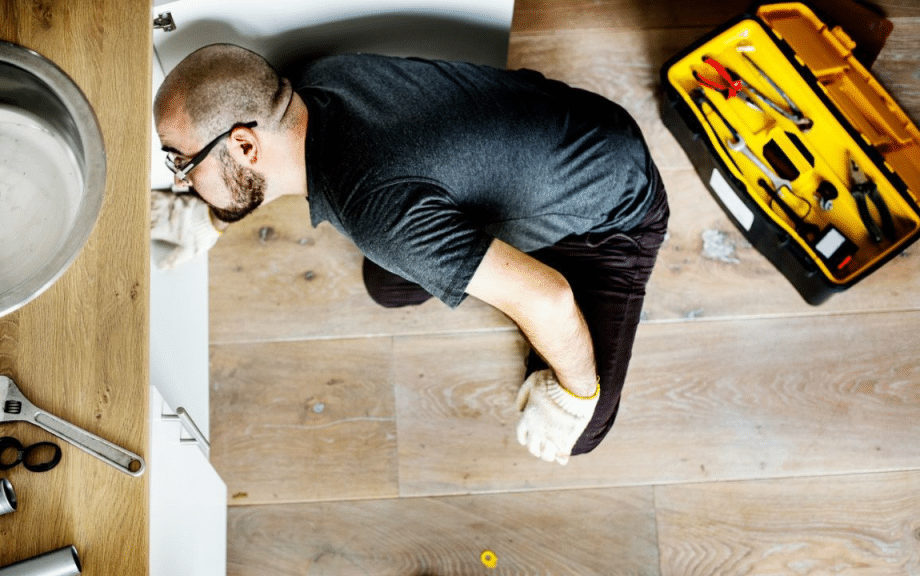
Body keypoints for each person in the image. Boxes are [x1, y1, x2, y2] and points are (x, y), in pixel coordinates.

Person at [152, 44, 669, 465]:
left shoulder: (382, 215)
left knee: (579, 430)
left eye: (182, 161)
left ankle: (524, 275)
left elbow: (552, 299)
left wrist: (572, 395)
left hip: (613, 209)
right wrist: (211, 214)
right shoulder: (320, 80)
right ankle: (506, 265)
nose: (182, 178)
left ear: (245, 147)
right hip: (559, 127)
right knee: (388, 284)